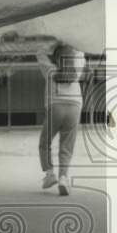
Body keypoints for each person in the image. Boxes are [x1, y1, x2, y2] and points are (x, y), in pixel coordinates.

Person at [37, 43, 86, 196]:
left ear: (57, 58)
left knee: (45, 142)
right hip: (75, 107)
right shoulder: (77, 70)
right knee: (66, 146)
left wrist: (55, 43)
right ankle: (63, 177)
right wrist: (70, 42)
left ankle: (50, 174)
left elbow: (40, 53)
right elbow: (81, 52)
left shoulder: (50, 70)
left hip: (56, 107)